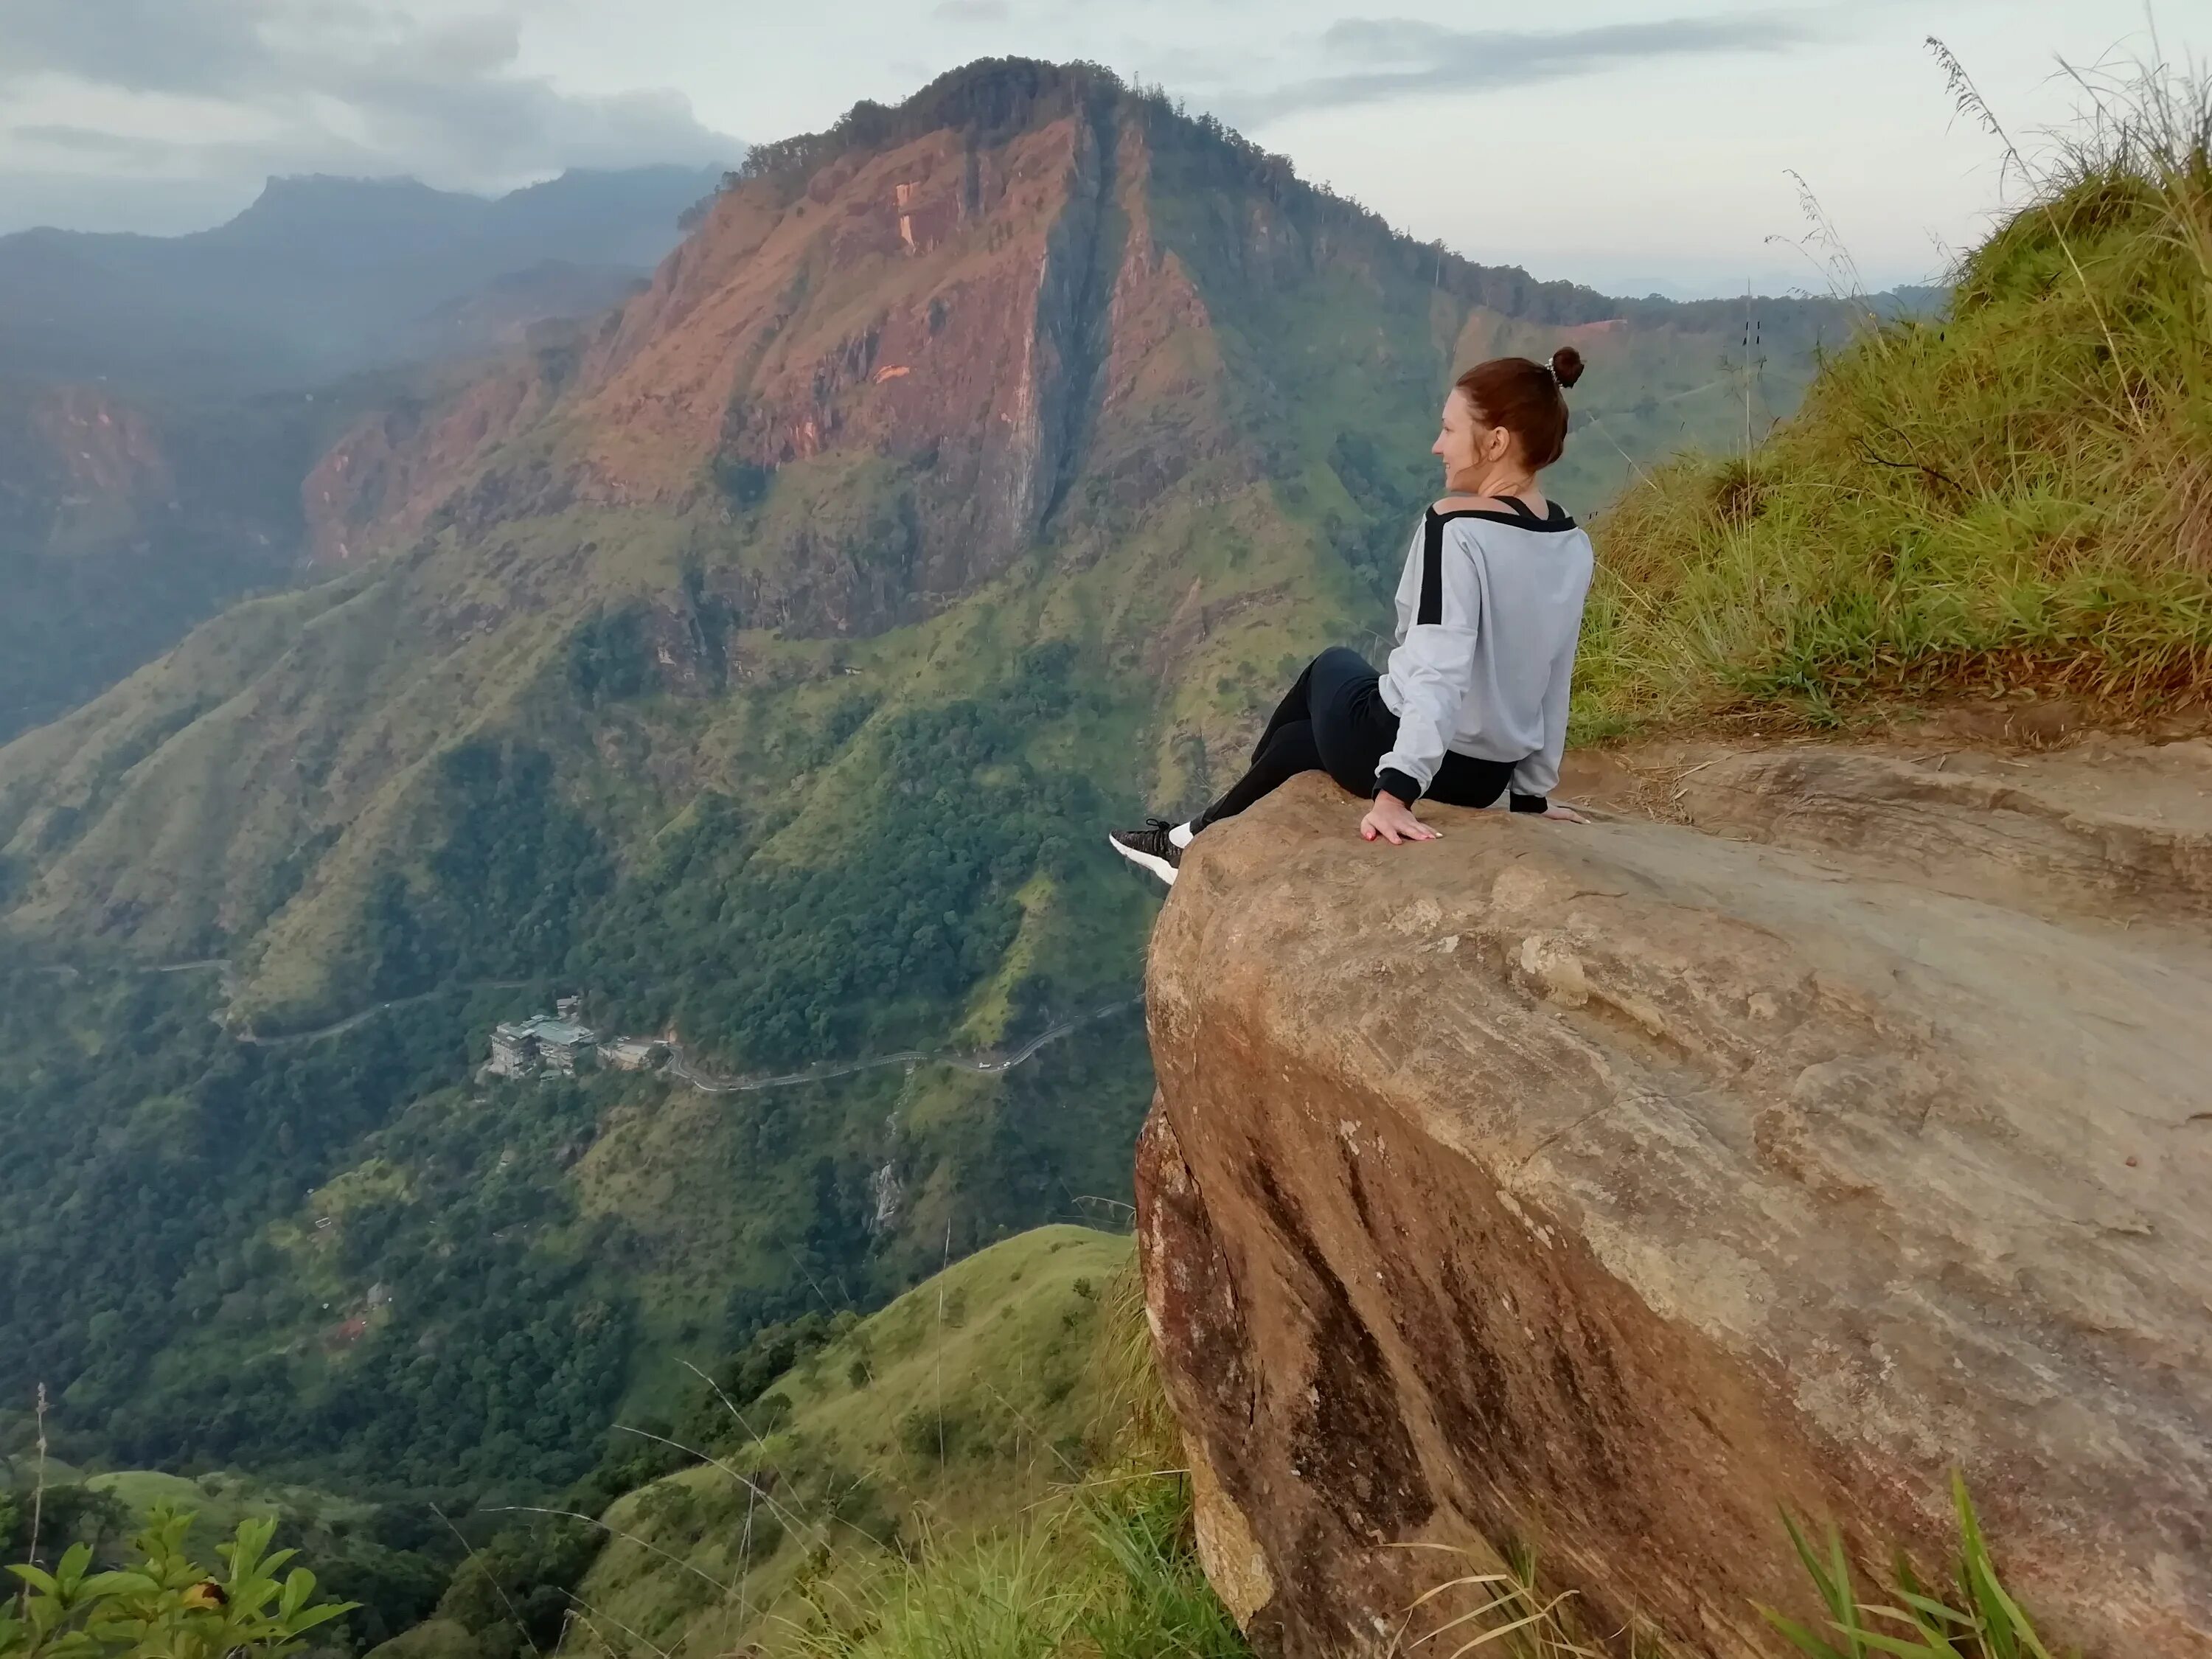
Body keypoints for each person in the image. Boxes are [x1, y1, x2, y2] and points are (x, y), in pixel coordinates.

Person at [1109, 348, 1596, 888]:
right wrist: (1530, 796)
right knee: (1300, 743)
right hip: (1483, 779)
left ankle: (1196, 833)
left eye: (1449, 430)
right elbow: (1554, 675)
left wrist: (1396, 795)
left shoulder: (1454, 531)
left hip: (1402, 750)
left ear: (1497, 441)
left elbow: (1440, 668)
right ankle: (1188, 841)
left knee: (1329, 666)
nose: (1439, 446)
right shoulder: (1572, 543)